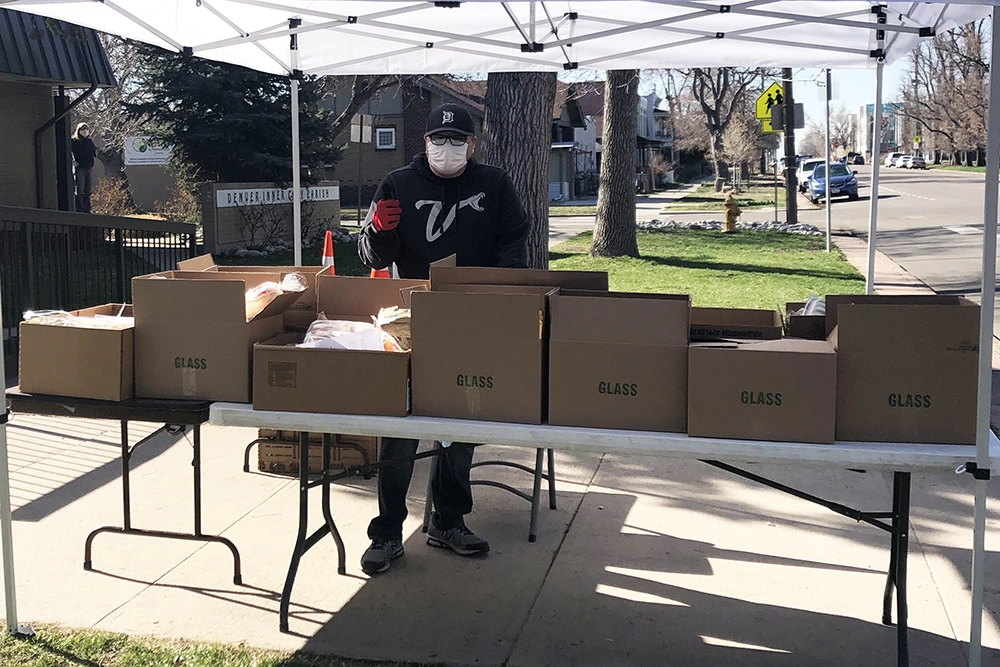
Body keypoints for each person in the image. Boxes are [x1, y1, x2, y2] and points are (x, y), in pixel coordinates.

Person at [357, 102, 529, 575]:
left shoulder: (494, 185)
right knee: (401, 428)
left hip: (473, 316)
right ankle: (389, 531)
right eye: (438, 140)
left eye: (457, 141)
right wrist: (377, 231)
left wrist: (502, 289)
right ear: (425, 142)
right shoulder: (397, 183)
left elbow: (514, 239)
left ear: (472, 145)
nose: (447, 148)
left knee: (461, 423)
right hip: (408, 318)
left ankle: (448, 520)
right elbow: (370, 251)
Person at [71, 122, 97, 213]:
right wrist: (73, 161)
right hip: (79, 168)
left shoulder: (89, 142)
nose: (85, 131)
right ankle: (79, 208)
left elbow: (94, 153)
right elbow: (69, 153)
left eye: (86, 129)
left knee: (88, 190)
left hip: (89, 168)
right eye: (83, 129)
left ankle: (87, 209)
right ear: (78, 130)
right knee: (79, 189)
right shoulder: (74, 141)